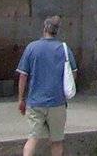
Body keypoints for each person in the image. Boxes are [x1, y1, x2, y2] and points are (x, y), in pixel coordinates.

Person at [16, 14, 77, 156]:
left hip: (35, 102)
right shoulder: (64, 49)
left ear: (44, 28)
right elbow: (73, 73)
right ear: (57, 31)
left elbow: (23, 76)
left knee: (32, 139)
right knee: (56, 141)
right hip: (57, 102)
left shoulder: (32, 48)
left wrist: (21, 99)